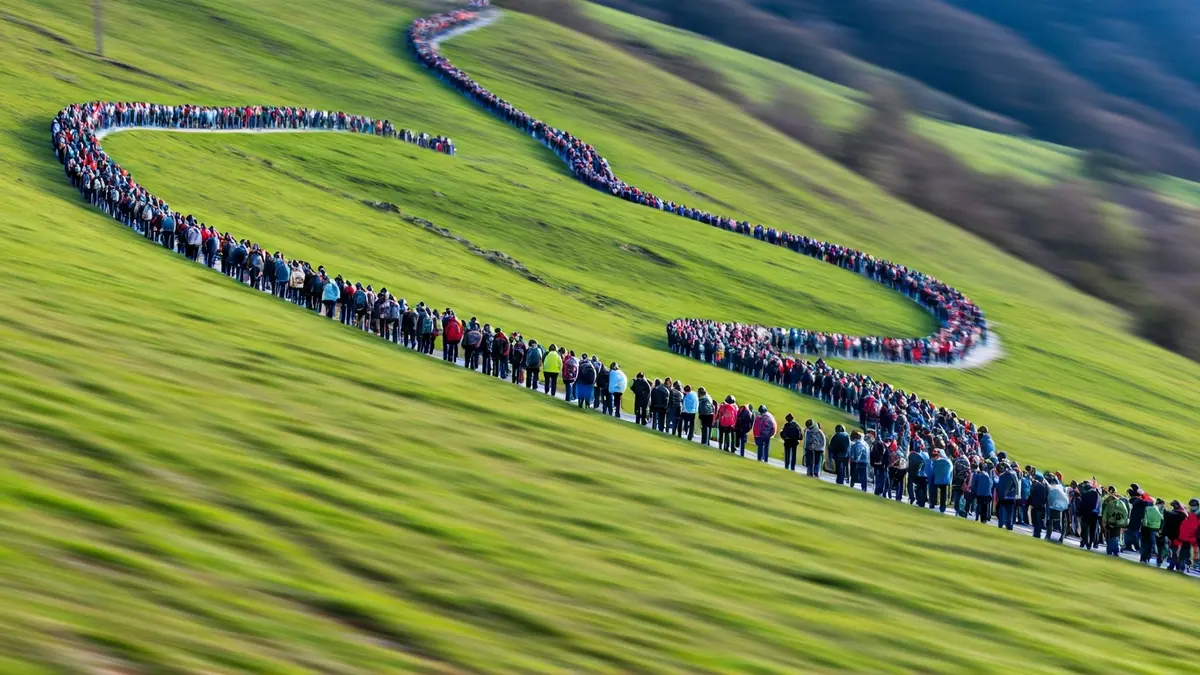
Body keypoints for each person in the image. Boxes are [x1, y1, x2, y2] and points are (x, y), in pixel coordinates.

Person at [1101, 485, 1130, 556]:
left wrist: (1103, 522)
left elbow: (1104, 512)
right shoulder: (1122, 502)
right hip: (1119, 523)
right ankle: (1115, 550)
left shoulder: (1108, 501)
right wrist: (1125, 523)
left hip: (1110, 522)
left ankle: (1111, 550)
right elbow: (1126, 512)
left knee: (1110, 537)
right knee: (1116, 536)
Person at [1162, 500, 1188, 572]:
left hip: (1178, 537)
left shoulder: (1180, 515)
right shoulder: (1182, 514)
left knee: (1176, 552)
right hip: (1176, 537)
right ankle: (1178, 566)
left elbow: (1171, 516)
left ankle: (1175, 566)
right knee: (1176, 552)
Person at [1078, 480, 1102, 550]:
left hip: (1086, 514)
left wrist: (1080, 513)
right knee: (1092, 530)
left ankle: (1083, 541)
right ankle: (1090, 544)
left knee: (1084, 529)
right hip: (1095, 515)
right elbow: (1099, 507)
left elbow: (1082, 505)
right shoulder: (1098, 495)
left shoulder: (1085, 495)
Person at [1139, 496, 1162, 565]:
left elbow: (1143, 519)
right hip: (1153, 529)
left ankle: (1143, 558)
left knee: (1144, 544)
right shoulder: (1158, 511)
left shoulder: (1146, 508)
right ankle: (1147, 558)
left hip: (1145, 529)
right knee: (1149, 544)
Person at [995, 462, 1019, 530]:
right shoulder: (1014, 474)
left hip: (1004, 496)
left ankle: (1001, 523)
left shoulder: (1003, 476)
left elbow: (1000, 487)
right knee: (1010, 512)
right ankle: (1009, 525)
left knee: (1002, 510)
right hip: (1011, 496)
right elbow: (1016, 485)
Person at [1045, 475, 1069, 542]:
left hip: (1054, 506)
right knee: (1060, 522)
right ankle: (1061, 537)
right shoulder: (1060, 486)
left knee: (1050, 521)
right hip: (1063, 506)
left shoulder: (1051, 487)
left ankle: (1048, 535)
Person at [1028, 471, 1049, 538]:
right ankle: (1038, 532)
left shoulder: (1035, 486)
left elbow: (1031, 494)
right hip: (1042, 506)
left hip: (1035, 505)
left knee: (1035, 520)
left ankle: (1036, 533)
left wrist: (1030, 503)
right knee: (1039, 520)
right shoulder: (1045, 487)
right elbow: (1046, 497)